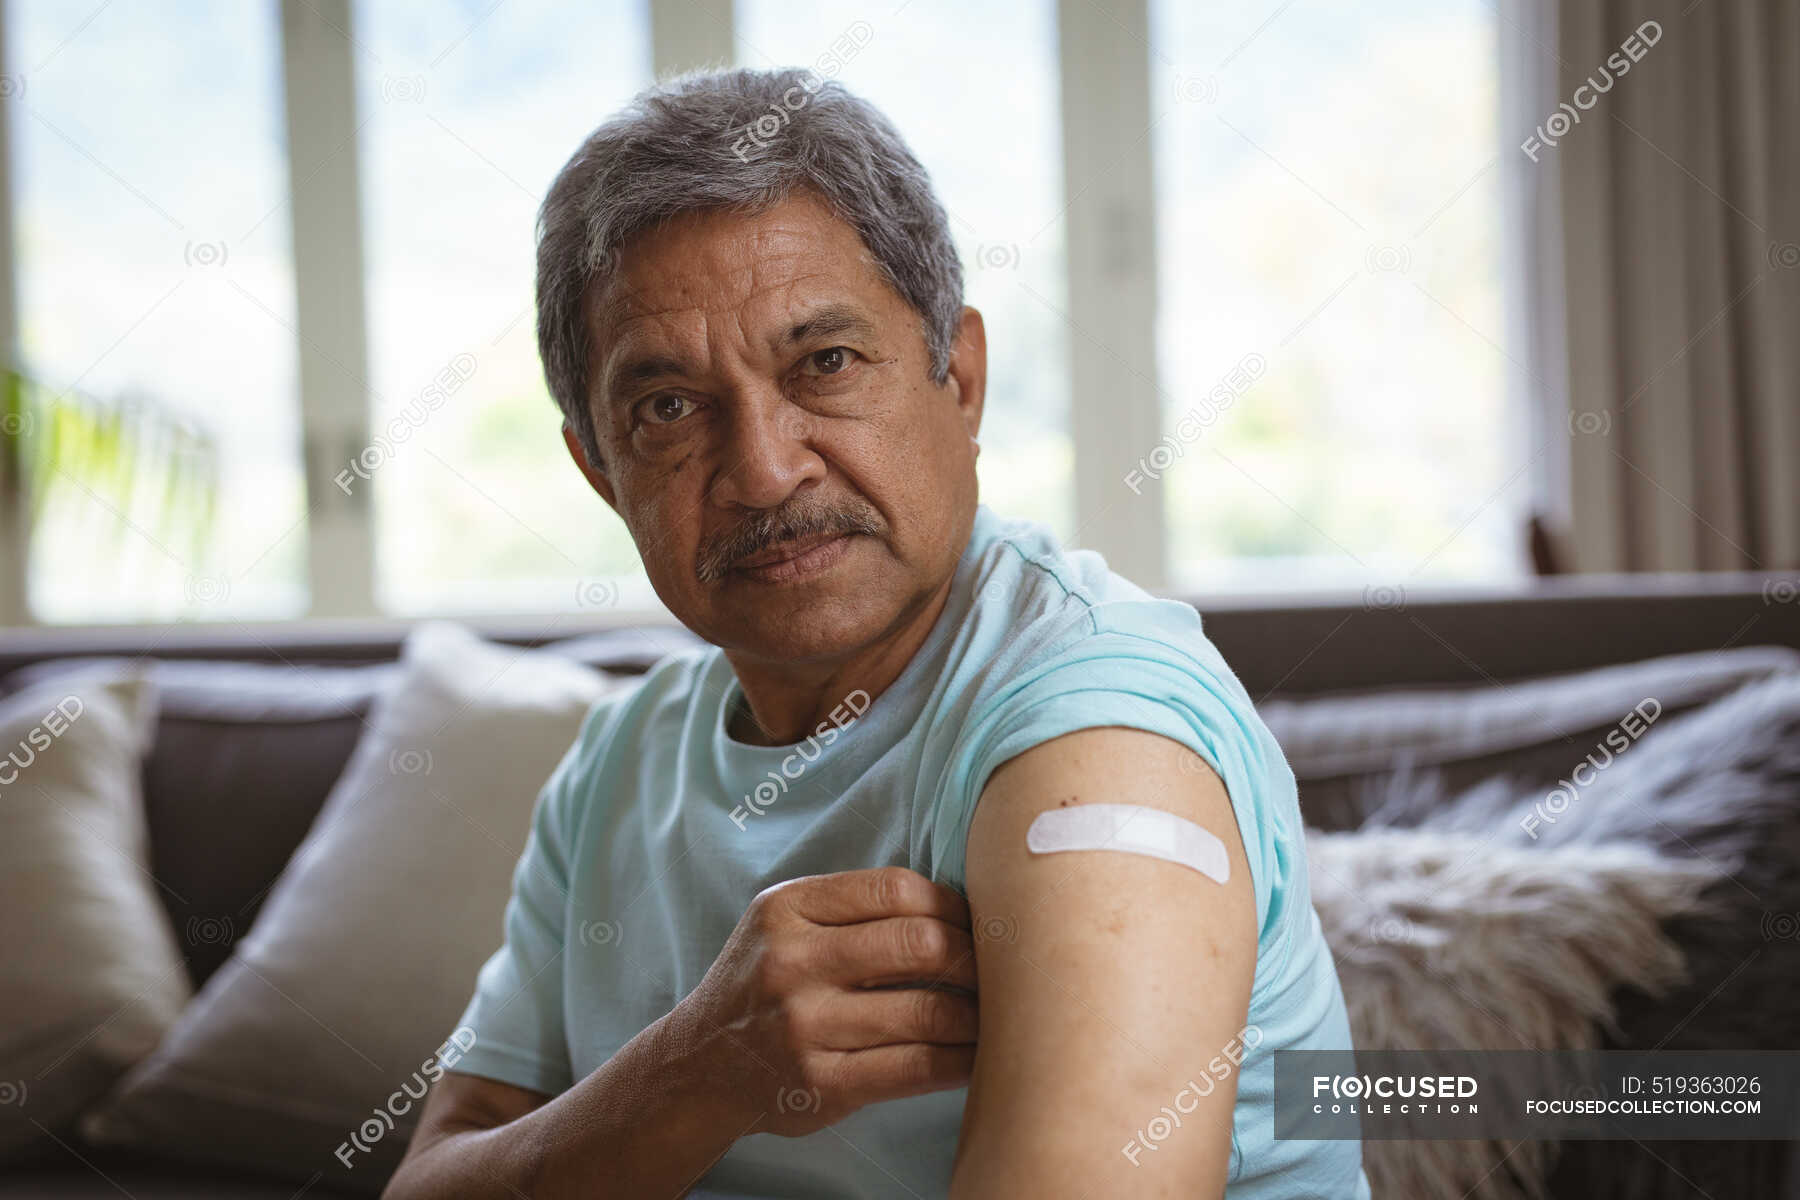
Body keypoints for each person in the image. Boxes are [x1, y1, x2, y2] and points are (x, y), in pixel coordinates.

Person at [384, 66, 1369, 1200]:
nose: (762, 468)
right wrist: (693, 1074)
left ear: (962, 381)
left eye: (827, 364)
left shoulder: (1095, 730)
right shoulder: (617, 762)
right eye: (668, 409)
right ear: (600, 474)